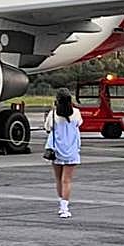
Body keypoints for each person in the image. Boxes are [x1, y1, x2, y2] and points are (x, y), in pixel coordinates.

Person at [44, 88, 83, 218]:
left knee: (58, 179)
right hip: (71, 149)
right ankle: (65, 208)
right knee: (67, 180)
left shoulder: (53, 114)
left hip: (56, 149)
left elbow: (47, 127)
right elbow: (79, 123)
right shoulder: (76, 113)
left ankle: (61, 204)